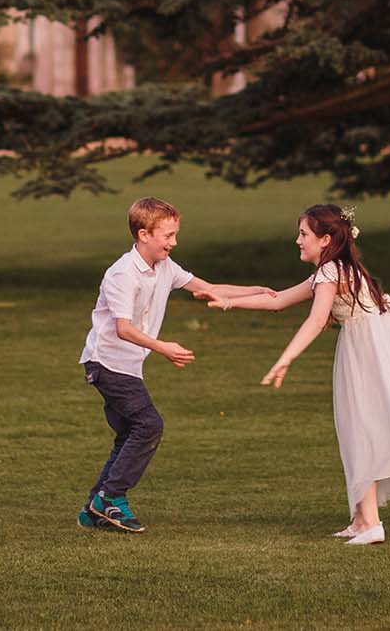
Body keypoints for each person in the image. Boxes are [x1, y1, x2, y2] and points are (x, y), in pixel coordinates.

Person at [211, 203, 390, 545]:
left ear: (325, 239)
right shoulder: (333, 269)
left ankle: (372, 523)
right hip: (368, 345)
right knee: (357, 425)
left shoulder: (332, 271)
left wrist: (285, 358)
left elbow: (317, 320)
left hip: (370, 350)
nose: (298, 241)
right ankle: (362, 520)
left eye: (304, 234)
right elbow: (277, 300)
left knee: (364, 426)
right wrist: (225, 298)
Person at [78, 196, 273, 534]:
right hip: (107, 363)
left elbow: (208, 289)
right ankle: (111, 498)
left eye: (174, 234)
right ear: (143, 235)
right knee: (149, 425)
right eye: (167, 235)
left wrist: (258, 290)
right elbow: (123, 328)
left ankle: (95, 507)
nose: (174, 242)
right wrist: (164, 348)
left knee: (129, 434)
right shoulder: (122, 274)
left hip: (125, 366)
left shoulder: (166, 267)